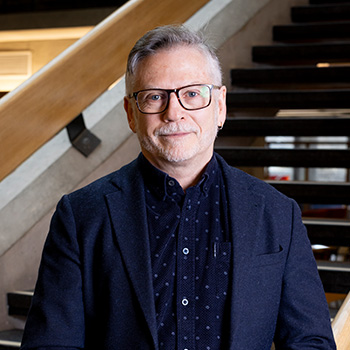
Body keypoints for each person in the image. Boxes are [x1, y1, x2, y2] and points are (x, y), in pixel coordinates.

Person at [21, 25, 336, 350]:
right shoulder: (81, 215)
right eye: (155, 96)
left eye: (192, 93)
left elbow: (310, 342)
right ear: (131, 114)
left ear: (220, 106)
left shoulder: (278, 213)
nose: (174, 113)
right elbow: (50, 345)